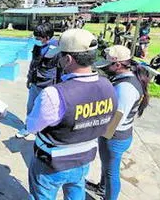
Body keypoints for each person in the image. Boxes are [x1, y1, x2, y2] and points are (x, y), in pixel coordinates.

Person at [26, 29, 118, 200]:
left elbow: (32, 126)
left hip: (52, 163)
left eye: (60, 56)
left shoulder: (54, 94)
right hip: (84, 159)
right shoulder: (108, 86)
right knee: (76, 193)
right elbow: (109, 123)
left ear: (67, 59)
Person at [87, 45, 151, 200]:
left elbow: (116, 119)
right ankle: (102, 188)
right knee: (107, 167)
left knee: (111, 173)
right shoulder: (127, 77)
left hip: (114, 137)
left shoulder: (125, 88)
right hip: (117, 135)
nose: (104, 69)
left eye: (107, 65)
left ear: (118, 65)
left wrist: (95, 133)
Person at [16, 23, 59, 139]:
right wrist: (29, 78)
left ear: (47, 37)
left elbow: (61, 69)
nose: (36, 40)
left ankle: (43, 130)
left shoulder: (57, 50)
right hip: (35, 82)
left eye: (38, 38)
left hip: (48, 84)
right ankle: (28, 127)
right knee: (30, 106)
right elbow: (33, 64)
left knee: (45, 108)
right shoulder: (37, 46)